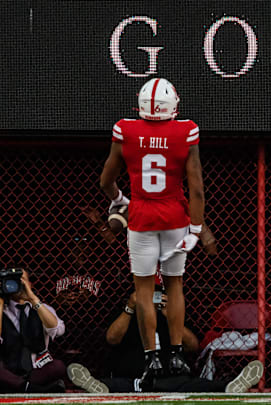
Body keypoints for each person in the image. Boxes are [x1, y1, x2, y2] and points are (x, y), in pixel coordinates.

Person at [99, 78, 205, 389]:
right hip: (174, 215)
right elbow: (196, 187)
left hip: (142, 216)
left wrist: (119, 200)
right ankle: (174, 354)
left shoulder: (126, 130)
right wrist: (196, 228)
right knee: (174, 287)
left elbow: (106, 180)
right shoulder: (185, 131)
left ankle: (152, 357)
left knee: (144, 292)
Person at [66, 287, 263, 393]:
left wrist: (171, 317)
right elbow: (112, 339)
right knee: (125, 384)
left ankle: (231, 386)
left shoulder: (174, 309)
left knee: (191, 384)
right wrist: (130, 307)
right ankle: (96, 385)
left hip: (172, 377)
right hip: (137, 375)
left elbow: (193, 345)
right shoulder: (128, 310)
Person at [0, 268, 68, 393]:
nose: (17, 284)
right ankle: (27, 388)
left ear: (29, 284)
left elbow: (59, 331)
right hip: (3, 373)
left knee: (58, 367)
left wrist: (33, 299)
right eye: (11, 281)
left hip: (34, 373)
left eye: (21, 280)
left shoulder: (42, 308)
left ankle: (17, 386)